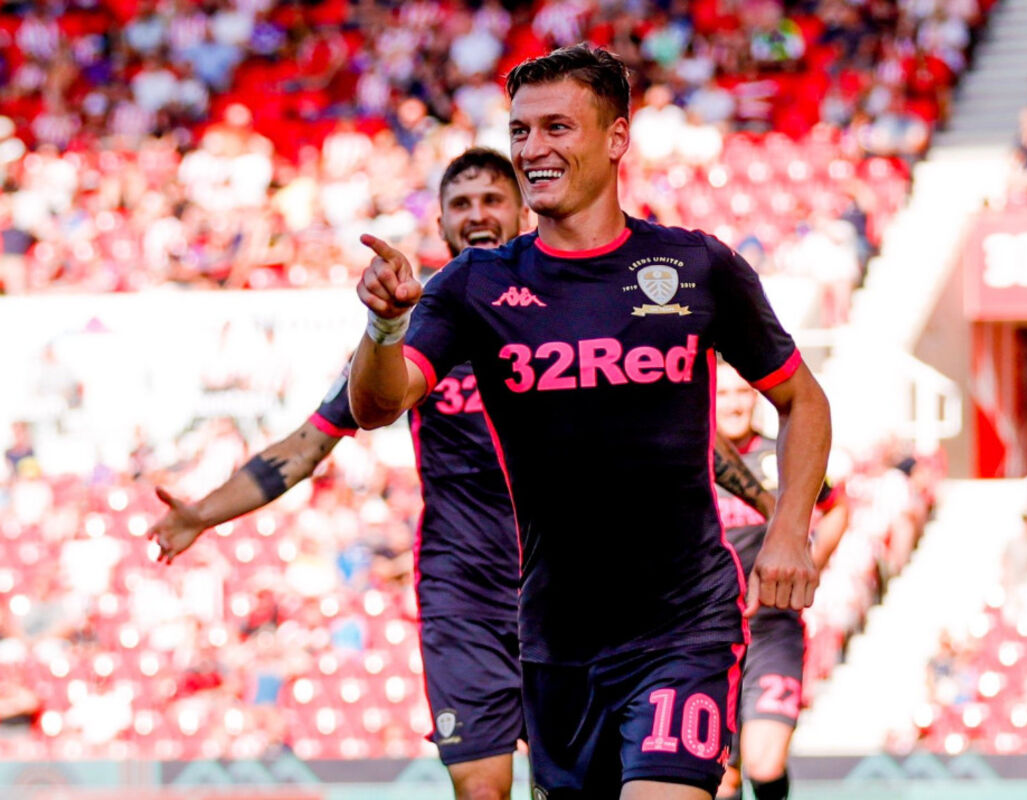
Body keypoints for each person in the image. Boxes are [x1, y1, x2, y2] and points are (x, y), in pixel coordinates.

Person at [349, 45, 831, 800]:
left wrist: (790, 528)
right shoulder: (475, 284)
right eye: (520, 131)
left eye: (557, 128)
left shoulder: (696, 267)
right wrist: (383, 328)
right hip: (555, 641)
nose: (532, 149)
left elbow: (803, 399)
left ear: (616, 138)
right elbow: (378, 405)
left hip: (685, 625)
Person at [151, 148, 530, 800]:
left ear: (522, 212)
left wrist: (737, 486)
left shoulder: (561, 314)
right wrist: (201, 514)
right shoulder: (417, 330)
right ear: (441, 223)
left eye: (492, 200)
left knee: (566, 781)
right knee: (481, 790)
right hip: (461, 590)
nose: (477, 215)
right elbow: (306, 447)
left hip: (560, 582)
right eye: (461, 204)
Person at [711, 361, 848, 800]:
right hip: (707, 635)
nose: (734, 404)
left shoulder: (782, 454)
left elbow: (837, 507)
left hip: (772, 629)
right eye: (723, 394)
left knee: (764, 763)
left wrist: (810, 562)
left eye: (742, 393)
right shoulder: (688, 461)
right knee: (722, 779)